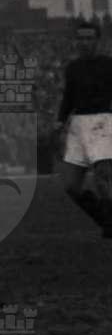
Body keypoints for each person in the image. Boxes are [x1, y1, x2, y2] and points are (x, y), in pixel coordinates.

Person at [52, 20, 112, 237]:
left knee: (102, 176)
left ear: (97, 41)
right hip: (78, 124)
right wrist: (60, 122)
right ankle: (104, 219)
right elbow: (69, 97)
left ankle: (109, 224)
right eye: (81, 38)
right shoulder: (73, 68)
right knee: (70, 185)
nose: (84, 43)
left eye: (89, 38)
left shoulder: (108, 65)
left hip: (102, 122)